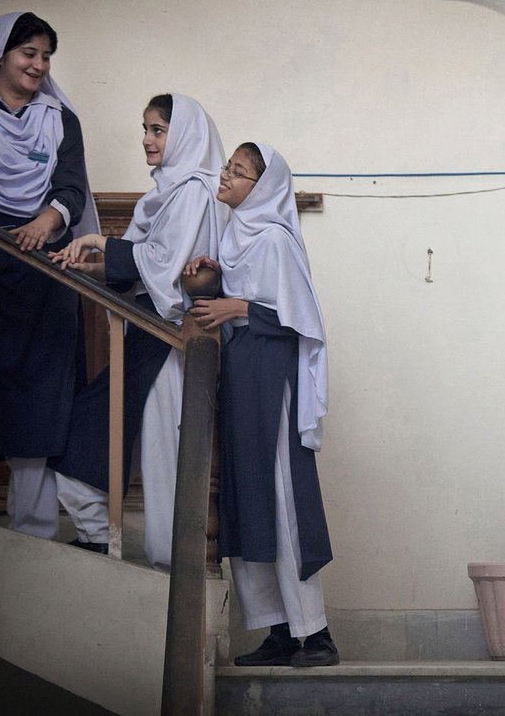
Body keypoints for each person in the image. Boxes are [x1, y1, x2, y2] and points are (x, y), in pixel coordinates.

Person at [48, 94, 228, 571]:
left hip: (171, 337)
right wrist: (95, 258)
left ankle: (174, 562)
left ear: (183, 135)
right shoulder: (170, 190)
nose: (146, 140)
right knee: (120, 431)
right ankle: (113, 538)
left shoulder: (194, 189)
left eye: (158, 130)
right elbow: (147, 258)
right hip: (152, 331)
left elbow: (168, 267)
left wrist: (101, 242)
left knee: (165, 449)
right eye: (145, 129)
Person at [184, 142, 338, 667]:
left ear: (262, 188)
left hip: (272, 383)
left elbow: (303, 322)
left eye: (239, 171)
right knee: (247, 499)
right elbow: (229, 300)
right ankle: (276, 632)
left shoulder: (275, 239)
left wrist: (239, 305)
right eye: (228, 166)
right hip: (242, 379)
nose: (225, 175)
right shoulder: (233, 237)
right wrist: (212, 276)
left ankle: (315, 635)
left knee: (282, 500)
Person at [0, 12, 98, 540]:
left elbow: (73, 185)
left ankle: (33, 534)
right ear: (1, 55)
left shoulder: (61, 119)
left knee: (40, 403)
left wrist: (48, 219)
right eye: (28, 53)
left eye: (45, 56)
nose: (38, 64)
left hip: (45, 274)